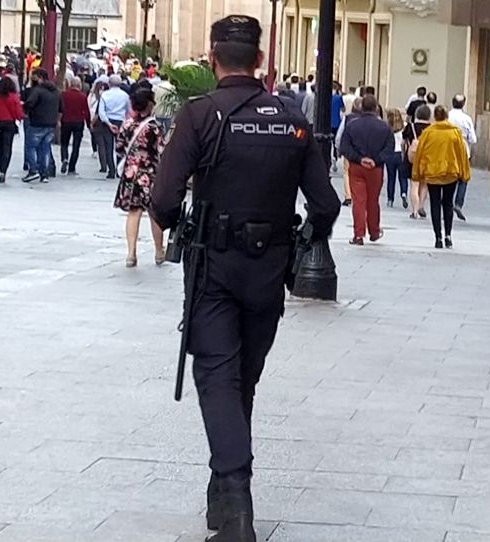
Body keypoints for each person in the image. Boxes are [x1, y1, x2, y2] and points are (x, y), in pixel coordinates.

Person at [150, 15, 340, 542]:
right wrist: (302, 239)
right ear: (260, 61)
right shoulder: (291, 120)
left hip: (213, 266)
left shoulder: (200, 115)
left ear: (213, 59)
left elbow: (163, 200)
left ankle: (236, 506)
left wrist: (178, 224)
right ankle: (222, 494)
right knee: (242, 382)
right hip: (269, 270)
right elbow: (325, 204)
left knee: (217, 378)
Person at [114, 89, 165, 267]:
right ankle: (159, 251)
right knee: (154, 213)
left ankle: (131, 254)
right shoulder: (154, 127)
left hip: (130, 173)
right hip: (149, 173)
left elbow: (119, 147)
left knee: (133, 212)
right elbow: (162, 151)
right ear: (149, 104)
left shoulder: (127, 125)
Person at [412, 105, 471, 249]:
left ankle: (438, 237)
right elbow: (462, 154)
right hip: (450, 172)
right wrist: (464, 173)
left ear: (435, 116)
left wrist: (417, 173)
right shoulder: (455, 133)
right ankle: (448, 235)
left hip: (432, 173)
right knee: (448, 203)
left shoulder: (428, 133)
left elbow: (420, 154)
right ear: (446, 116)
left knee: (435, 203)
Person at [339, 94, 393, 246]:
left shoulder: (352, 125)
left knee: (358, 201)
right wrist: (376, 160)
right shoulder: (385, 127)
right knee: (373, 200)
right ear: (376, 108)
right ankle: (374, 231)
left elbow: (344, 147)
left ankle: (358, 234)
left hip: (357, 166)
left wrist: (358, 158)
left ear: (362, 107)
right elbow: (389, 148)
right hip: (375, 168)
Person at [22, 68, 61, 183]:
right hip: (51, 124)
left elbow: (30, 103)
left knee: (31, 147)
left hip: (37, 122)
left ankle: (33, 170)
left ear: (40, 78)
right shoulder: (56, 91)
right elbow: (61, 108)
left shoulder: (38, 91)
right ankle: (44, 174)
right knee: (45, 148)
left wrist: (25, 108)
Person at [0, 76, 24, 184]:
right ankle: (4, 170)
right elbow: (18, 111)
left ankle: (0, 168)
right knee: (7, 147)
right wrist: (19, 118)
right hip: (9, 123)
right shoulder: (14, 97)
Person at [448, 94, 477, 221]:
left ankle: (447, 203)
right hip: (463, 152)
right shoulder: (467, 119)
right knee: (463, 178)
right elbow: (473, 139)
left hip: (448, 151)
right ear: (463, 104)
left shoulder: (447, 116)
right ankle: (458, 203)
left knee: (448, 179)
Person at [97, 74, 131, 179]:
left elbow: (101, 112)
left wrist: (108, 123)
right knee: (120, 147)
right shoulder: (125, 96)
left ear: (109, 83)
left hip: (107, 122)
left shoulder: (104, 95)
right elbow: (128, 111)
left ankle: (111, 170)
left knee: (108, 147)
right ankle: (119, 170)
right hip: (121, 121)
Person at [404, 104, 432, 220]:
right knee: (424, 184)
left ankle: (414, 210)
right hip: (427, 159)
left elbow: (404, 142)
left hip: (413, 159)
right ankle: (421, 206)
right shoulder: (431, 129)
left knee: (414, 185)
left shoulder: (410, 127)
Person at [60, 77, 91, 175]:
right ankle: (72, 168)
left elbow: (60, 108)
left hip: (66, 121)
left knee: (64, 143)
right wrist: (89, 124)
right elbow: (86, 111)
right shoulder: (82, 96)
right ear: (79, 85)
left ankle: (64, 158)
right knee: (76, 146)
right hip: (78, 122)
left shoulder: (63, 95)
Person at [335, 98, 362, 207]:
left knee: (347, 172)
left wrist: (338, 147)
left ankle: (348, 196)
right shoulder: (367, 119)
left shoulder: (348, 118)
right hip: (362, 149)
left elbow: (340, 134)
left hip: (349, 149)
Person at [384, 108, 408, 209]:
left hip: (390, 154)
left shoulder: (387, 128)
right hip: (401, 154)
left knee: (391, 178)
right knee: (403, 177)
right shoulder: (404, 127)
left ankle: (390, 199)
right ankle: (404, 193)